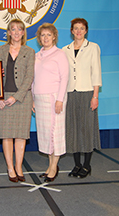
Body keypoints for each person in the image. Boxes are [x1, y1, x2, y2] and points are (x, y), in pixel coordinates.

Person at [0, 19, 35, 182]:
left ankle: (19, 167)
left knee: (20, 135)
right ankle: (10, 168)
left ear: (23, 32)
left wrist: (16, 97)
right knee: (6, 135)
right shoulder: (0, 49)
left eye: (20, 29)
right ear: (9, 32)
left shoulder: (29, 51)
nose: (17, 32)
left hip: (23, 99)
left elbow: (29, 77)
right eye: (13, 29)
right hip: (3, 98)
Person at [62, 18, 102, 178]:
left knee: (86, 129)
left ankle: (87, 165)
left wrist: (95, 96)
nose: (78, 31)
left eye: (81, 28)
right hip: (70, 93)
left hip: (87, 93)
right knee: (73, 129)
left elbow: (96, 72)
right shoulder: (65, 49)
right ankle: (77, 164)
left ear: (86, 31)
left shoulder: (93, 47)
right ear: (71, 31)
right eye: (75, 28)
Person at [32, 23, 69, 182]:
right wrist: (33, 98)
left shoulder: (60, 54)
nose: (45, 38)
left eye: (48, 35)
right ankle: (49, 164)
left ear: (54, 36)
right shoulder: (37, 55)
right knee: (46, 134)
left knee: (55, 134)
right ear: (39, 38)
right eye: (42, 35)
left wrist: (60, 99)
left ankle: (54, 166)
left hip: (54, 98)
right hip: (39, 100)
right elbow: (33, 79)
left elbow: (64, 78)